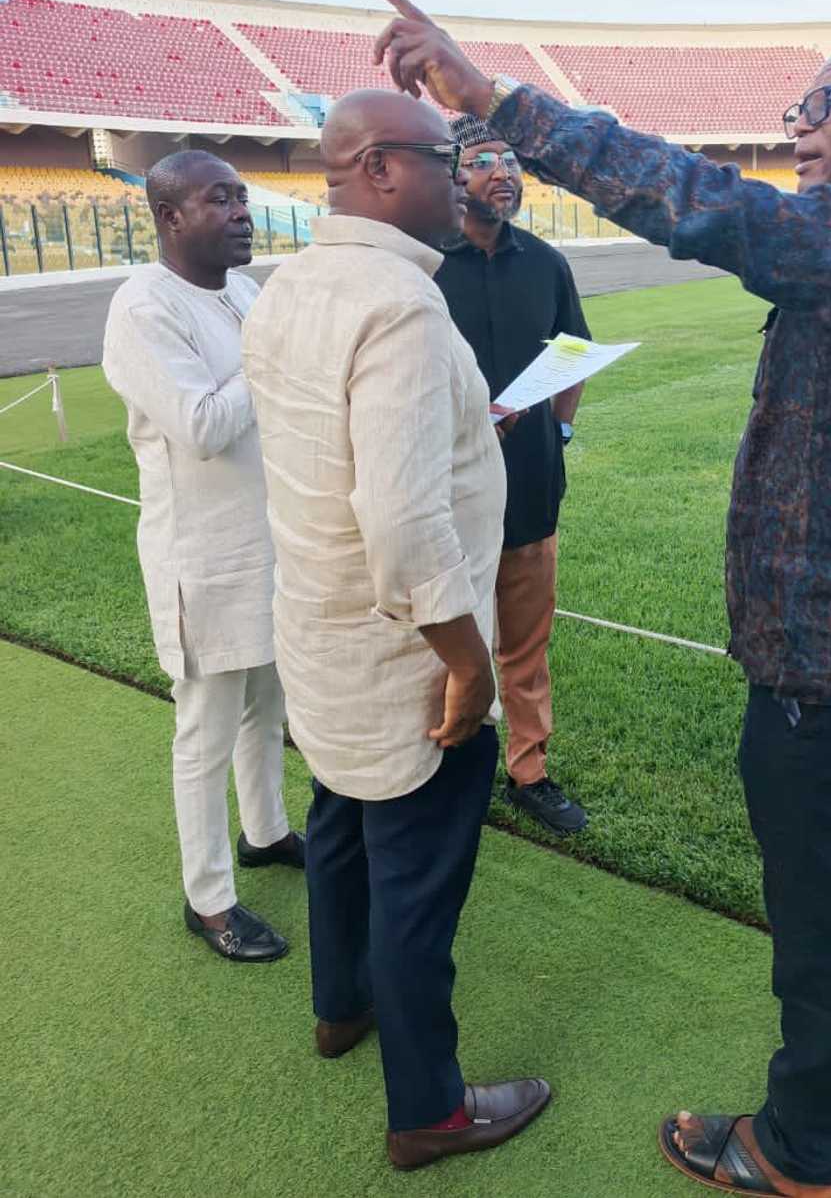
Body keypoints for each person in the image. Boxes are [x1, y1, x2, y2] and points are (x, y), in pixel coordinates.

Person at [373, 0, 831, 1198]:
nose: (801, 129)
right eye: (798, 108)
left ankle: (799, 1145)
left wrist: (495, 100)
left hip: (829, 648)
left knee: (821, 904)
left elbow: (701, 203)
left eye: (825, 107)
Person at [241, 89, 550, 1171]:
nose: (464, 176)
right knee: (414, 885)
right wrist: (468, 666)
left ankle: (339, 1006)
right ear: (378, 166)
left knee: (336, 826)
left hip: (320, 634)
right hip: (405, 654)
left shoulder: (288, 283)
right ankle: (428, 1107)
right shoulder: (402, 307)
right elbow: (404, 514)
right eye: (445, 157)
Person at [102, 150, 302, 966]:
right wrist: (271, 356)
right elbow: (204, 426)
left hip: (270, 546)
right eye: (220, 199)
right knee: (206, 729)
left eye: (244, 197)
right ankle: (209, 898)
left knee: (269, 708)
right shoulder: (144, 308)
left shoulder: (246, 294)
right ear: (170, 215)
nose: (242, 212)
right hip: (205, 559)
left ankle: (267, 833)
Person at [435, 114, 590, 836]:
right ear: (452, 175)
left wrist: (558, 430)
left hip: (531, 483)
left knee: (526, 642)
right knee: (445, 636)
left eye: (510, 159)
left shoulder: (547, 263)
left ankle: (528, 770)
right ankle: (442, 766)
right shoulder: (425, 267)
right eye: (483, 159)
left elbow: (574, 352)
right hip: (447, 489)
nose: (503, 171)